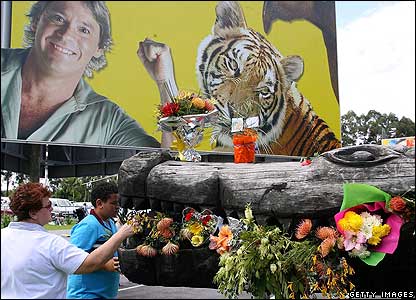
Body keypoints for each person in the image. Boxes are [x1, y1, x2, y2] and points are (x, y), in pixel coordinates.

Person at [1, 1, 160, 148]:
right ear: (36, 21)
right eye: (58, 18)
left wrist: (165, 83)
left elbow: (166, 166)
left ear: (99, 49)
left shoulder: (108, 122)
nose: (66, 35)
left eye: (84, 30)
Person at [1, 182, 136, 299]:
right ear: (33, 213)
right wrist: (121, 235)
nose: (52, 208)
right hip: (87, 294)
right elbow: (86, 263)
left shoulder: (4, 236)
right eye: (48, 205)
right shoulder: (51, 243)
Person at [66, 181, 121, 299]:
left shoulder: (110, 223)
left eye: (118, 203)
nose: (118, 207)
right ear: (100, 203)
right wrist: (105, 265)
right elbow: (74, 261)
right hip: (85, 295)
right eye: (114, 203)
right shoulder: (88, 226)